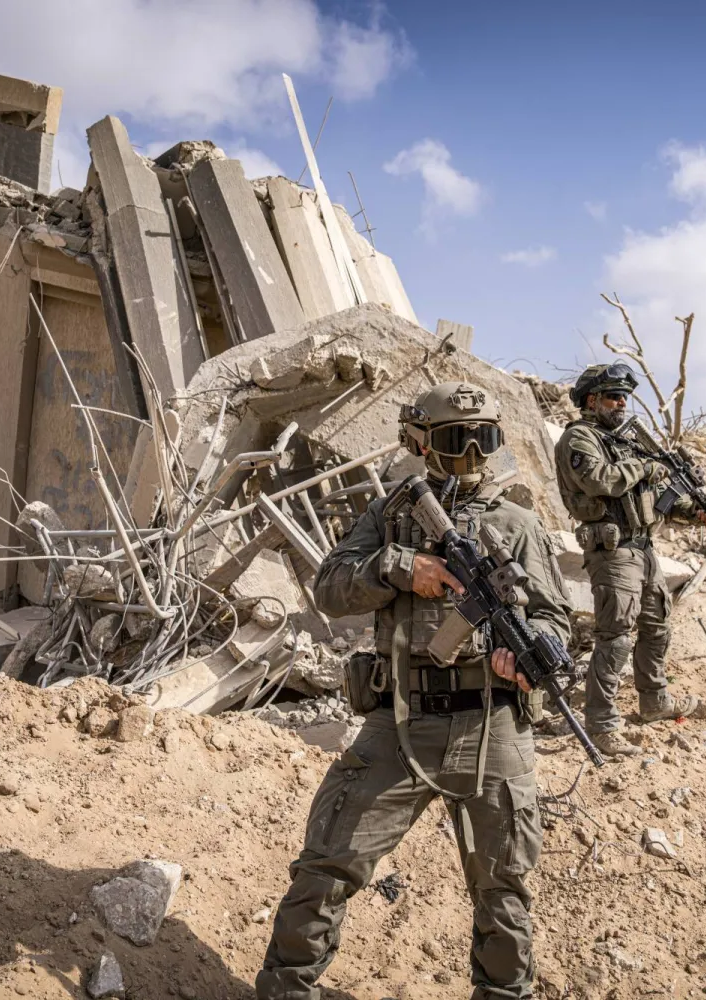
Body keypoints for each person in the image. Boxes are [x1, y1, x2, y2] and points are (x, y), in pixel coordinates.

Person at [257, 381, 572, 1000]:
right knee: (328, 865)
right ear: (421, 443)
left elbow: (555, 619)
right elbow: (329, 588)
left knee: (502, 887)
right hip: (401, 719)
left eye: (484, 439)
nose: (472, 455)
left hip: (493, 725)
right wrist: (401, 567)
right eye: (458, 440)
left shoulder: (518, 523)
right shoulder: (391, 516)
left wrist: (528, 651)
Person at [553, 363, 703, 758]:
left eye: (624, 397)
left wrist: (693, 510)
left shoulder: (626, 443)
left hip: (644, 548)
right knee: (615, 637)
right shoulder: (579, 438)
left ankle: (654, 700)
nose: (622, 403)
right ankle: (602, 725)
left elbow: (651, 498)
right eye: (613, 396)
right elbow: (600, 480)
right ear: (592, 400)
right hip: (613, 551)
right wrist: (647, 467)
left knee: (657, 627)